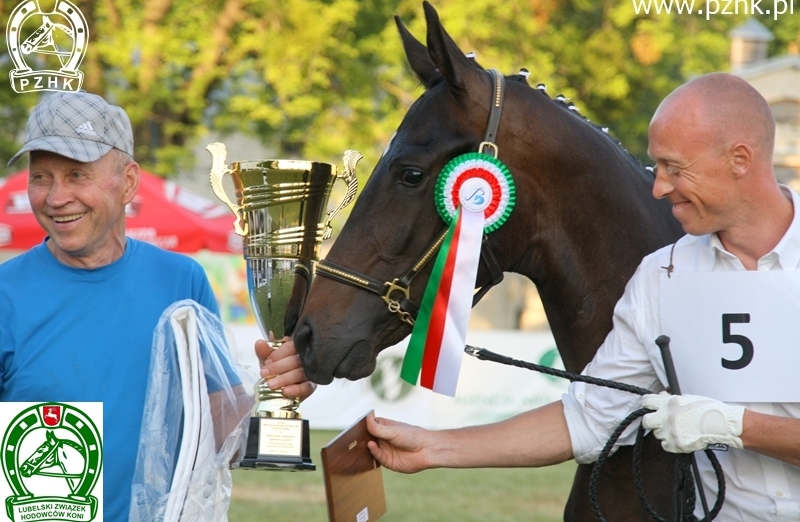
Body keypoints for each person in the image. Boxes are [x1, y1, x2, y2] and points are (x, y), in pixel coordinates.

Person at [366, 72, 800, 520]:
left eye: (676, 168)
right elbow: (589, 418)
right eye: (658, 167)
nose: (659, 187)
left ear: (740, 159)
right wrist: (434, 447)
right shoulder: (660, 276)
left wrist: (733, 426)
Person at [0, 91, 314, 521]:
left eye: (77, 175)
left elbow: (222, 430)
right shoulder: (5, 294)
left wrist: (277, 391)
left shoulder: (181, 281)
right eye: (41, 177)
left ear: (128, 181)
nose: (55, 198)